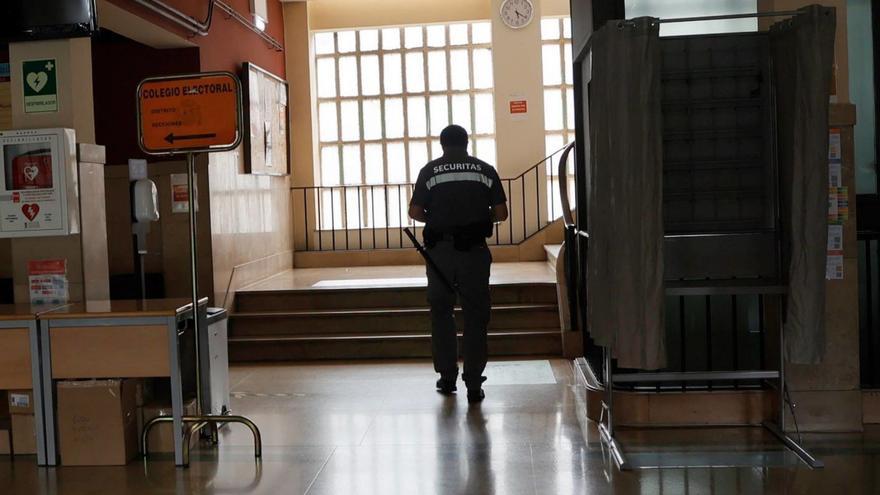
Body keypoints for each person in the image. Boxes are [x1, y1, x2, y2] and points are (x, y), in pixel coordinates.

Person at [409, 124, 508, 403]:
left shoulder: (429, 171)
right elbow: (501, 212)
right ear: (467, 143)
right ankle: (474, 383)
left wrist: (440, 219)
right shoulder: (485, 170)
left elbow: (415, 211)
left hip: (439, 252)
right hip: (474, 252)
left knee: (442, 314)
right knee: (476, 316)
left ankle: (447, 377)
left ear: (442, 144)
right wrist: (475, 216)